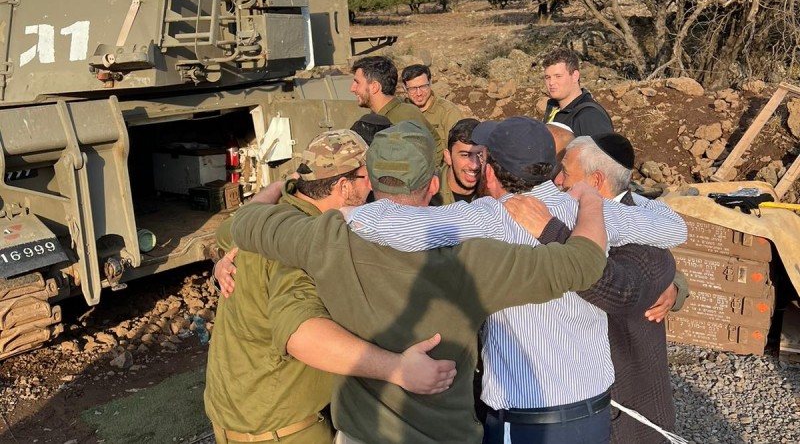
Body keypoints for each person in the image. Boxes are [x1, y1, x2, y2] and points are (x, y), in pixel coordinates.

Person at [229, 121, 611, 444]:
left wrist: (277, 188)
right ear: (432, 184)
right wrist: (590, 203)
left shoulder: (325, 238)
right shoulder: (473, 259)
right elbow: (584, 264)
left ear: (371, 183)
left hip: (359, 433)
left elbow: (245, 224)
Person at [346, 116, 687, 444]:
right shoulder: (592, 213)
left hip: (527, 417)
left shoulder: (490, 218)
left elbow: (373, 224)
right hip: (594, 409)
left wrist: (345, 210)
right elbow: (673, 226)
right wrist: (595, 199)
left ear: (491, 172)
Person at [205, 129, 456, 444]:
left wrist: (281, 185)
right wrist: (398, 369)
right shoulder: (302, 245)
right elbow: (302, 335)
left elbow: (228, 231)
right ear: (343, 186)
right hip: (284, 429)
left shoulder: (269, 218)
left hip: (234, 416)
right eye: (368, 177)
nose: (375, 186)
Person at [548, 133, 679, 443]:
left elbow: (614, 287)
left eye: (565, 172)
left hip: (629, 408)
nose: (556, 180)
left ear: (595, 181)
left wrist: (545, 230)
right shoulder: (592, 214)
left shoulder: (642, 230)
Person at [350, 56, 444, 161]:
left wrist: (428, 175)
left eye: (357, 82)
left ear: (374, 87)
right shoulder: (376, 116)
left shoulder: (405, 115)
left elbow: (435, 147)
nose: (352, 88)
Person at [541, 47, 613, 136]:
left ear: (575, 76)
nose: (551, 83)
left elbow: (603, 149)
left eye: (558, 76)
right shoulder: (553, 108)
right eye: (548, 77)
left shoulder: (590, 116)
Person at [401, 64, 464, 146]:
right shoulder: (401, 111)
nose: (419, 93)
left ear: (430, 83)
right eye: (413, 89)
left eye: (423, 86)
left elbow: (459, 148)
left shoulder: (448, 112)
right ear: (404, 88)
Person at [431, 118, 485, 206]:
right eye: (465, 155)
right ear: (448, 157)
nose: (475, 165)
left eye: (480, 155)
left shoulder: (494, 191)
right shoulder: (427, 192)